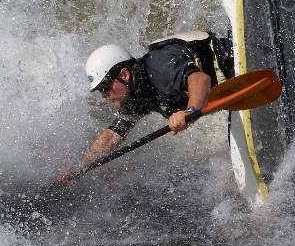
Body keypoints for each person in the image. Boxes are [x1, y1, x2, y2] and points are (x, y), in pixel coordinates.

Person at [56, 30, 233, 185]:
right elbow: (111, 137)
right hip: (229, 89)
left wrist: (189, 111)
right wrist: (82, 167)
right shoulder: (135, 96)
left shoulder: (157, 68)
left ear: (124, 74)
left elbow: (201, 80)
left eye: (105, 87)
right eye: (100, 91)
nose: (104, 95)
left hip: (233, 60)